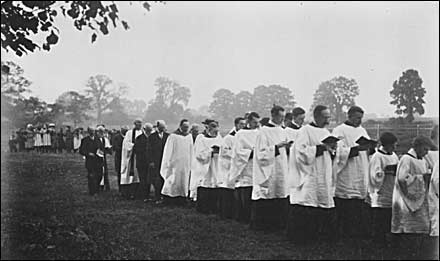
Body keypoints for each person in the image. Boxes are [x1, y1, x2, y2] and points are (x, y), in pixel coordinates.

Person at [286, 105, 338, 243]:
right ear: (317, 116)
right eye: (325, 117)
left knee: (323, 201)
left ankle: (321, 235)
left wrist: (333, 149)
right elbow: (300, 152)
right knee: (308, 201)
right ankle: (303, 237)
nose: (328, 120)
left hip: (323, 170)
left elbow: (330, 152)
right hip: (309, 173)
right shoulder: (305, 131)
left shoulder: (326, 131)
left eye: (329, 117)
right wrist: (321, 148)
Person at [332, 105, 374, 238]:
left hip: (361, 168)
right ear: (349, 116)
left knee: (359, 202)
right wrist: (355, 149)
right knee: (346, 201)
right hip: (347, 171)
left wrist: (371, 148)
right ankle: (343, 231)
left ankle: (357, 231)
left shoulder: (362, 130)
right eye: (357, 118)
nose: (359, 121)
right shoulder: (339, 130)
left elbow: (367, 148)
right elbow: (337, 151)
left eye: (361, 118)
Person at [391, 135, 433, 258]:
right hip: (405, 197)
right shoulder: (406, 159)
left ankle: (416, 249)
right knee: (406, 225)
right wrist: (409, 193)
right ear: (417, 147)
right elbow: (401, 178)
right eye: (425, 149)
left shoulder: (423, 160)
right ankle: (405, 250)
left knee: (419, 225)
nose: (427, 152)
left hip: (418, 197)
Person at [251, 105, 290, 232]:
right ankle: (264, 225)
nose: (283, 120)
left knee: (281, 192)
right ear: (273, 116)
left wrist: (288, 147)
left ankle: (279, 224)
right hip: (269, 168)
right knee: (268, 194)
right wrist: (277, 147)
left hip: (282, 166)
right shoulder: (264, 131)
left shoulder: (283, 130)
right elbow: (260, 154)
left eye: (284, 117)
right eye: (281, 117)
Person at [365, 132, 399, 245]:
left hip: (392, 187)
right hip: (381, 190)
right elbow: (375, 175)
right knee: (380, 217)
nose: (395, 147)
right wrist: (386, 171)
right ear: (386, 145)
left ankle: (389, 237)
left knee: (390, 216)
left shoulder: (394, 156)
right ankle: (378, 240)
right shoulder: (377, 156)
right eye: (393, 145)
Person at [229, 112, 260, 223]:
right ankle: (242, 216)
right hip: (244, 164)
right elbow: (237, 151)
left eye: (258, 122)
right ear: (248, 121)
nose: (257, 124)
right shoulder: (241, 134)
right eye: (254, 122)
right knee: (244, 188)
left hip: (256, 165)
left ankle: (251, 216)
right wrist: (251, 153)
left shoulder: (259, 133)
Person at [191, 119, 224, 214]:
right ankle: (203, 208)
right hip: (204, 166)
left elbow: (223, 148)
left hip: (216, 164)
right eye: (212, 126)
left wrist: (219, 150)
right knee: (205, 184)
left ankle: (214, 208)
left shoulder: (219, 137)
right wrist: (210, 151)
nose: (215, 129)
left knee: (215, 185)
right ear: (207, 127)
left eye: (216, 126)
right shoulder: (200, 138)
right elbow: (198, 154)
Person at [218, 117, 246, 219]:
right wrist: (237, 154)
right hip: (228, 166)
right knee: (227, 190)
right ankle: (225, 214)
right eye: (241, 124)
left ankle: (234, 213)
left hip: (237, 166)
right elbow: (225, 152)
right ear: (236, 125)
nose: (243, 126)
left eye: (244, 124)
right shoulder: (229, 138)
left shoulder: (243, 137)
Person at [160, 119, 194, 206]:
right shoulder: (173, 136)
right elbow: (168, 150)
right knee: (173, 181)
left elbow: (191, 150)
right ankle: (169, 199)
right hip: (175, 163)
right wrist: (168, 162)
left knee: (184, 181)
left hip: (185, 163)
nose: (186, 129)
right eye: (184, 127)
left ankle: (182, 198)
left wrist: (191, 161)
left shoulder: (189, 136)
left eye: (187, 127)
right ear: (180, 126)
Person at [146, 120, 170, 203]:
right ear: (158, 127)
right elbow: (149, 150)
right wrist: (151, 161)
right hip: (156, 161)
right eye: (161, 127)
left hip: (165, 161)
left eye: (164, 127)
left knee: (164, 178)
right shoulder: (152, 137)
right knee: (156, 179)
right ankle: (157, 196)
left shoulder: (167, 136)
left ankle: (164, 196)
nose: (163, 129)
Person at [120, 120, 143, 199]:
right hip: (131, 156)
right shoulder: (129, 133)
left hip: (139, 156)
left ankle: (138, 192)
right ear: (134, 124)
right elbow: (126, 144)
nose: (139, 124)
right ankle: (128, 192)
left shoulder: (143, 132)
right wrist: (134, 146)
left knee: (138, 176)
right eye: (138, 123)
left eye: (140, 123)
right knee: (129, 175)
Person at [79, 127, 104, 196]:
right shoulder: (85, 140)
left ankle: (97, 189)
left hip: (98, 160)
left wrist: (101, 152)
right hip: (90, 161)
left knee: (99, 175)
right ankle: (92, 191)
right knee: (92, 176)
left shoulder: (97, 139)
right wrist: (88, 153)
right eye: (91, 131)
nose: (92, 132)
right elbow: (81, 150)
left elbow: (101, 148)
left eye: (93, 131)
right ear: (88, 132)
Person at [134, 123, 153, 201]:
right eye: (148, 130)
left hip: (149, 162)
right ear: (144, 130)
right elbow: (136, 150)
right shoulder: (139, 138)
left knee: (148, 179)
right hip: (141, 162)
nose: (149, 132)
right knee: (143, 179)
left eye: (150, 130)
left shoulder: (152, 138)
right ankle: (143, 196)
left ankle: (147, 195)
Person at [112, 126, 128, 193]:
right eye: (125, 130)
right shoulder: (116, 137)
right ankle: (121, 189)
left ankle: (126, 188)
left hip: (126, 158)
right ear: (121, 130)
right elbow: (115, 147)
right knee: (119, 173)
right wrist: (124, 150)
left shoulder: (127, 137)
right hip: (119, 157)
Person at [96, 125, 112, 191]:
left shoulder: (105, 139)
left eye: (102, 132)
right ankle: (98, 186)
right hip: (96, 158)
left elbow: (108, 148)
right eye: (99, 132)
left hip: (103, 158)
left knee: (104, 171)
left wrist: (107, 150)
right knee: (97, 171)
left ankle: (104, 185)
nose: (101, 133)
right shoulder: (95, 139)